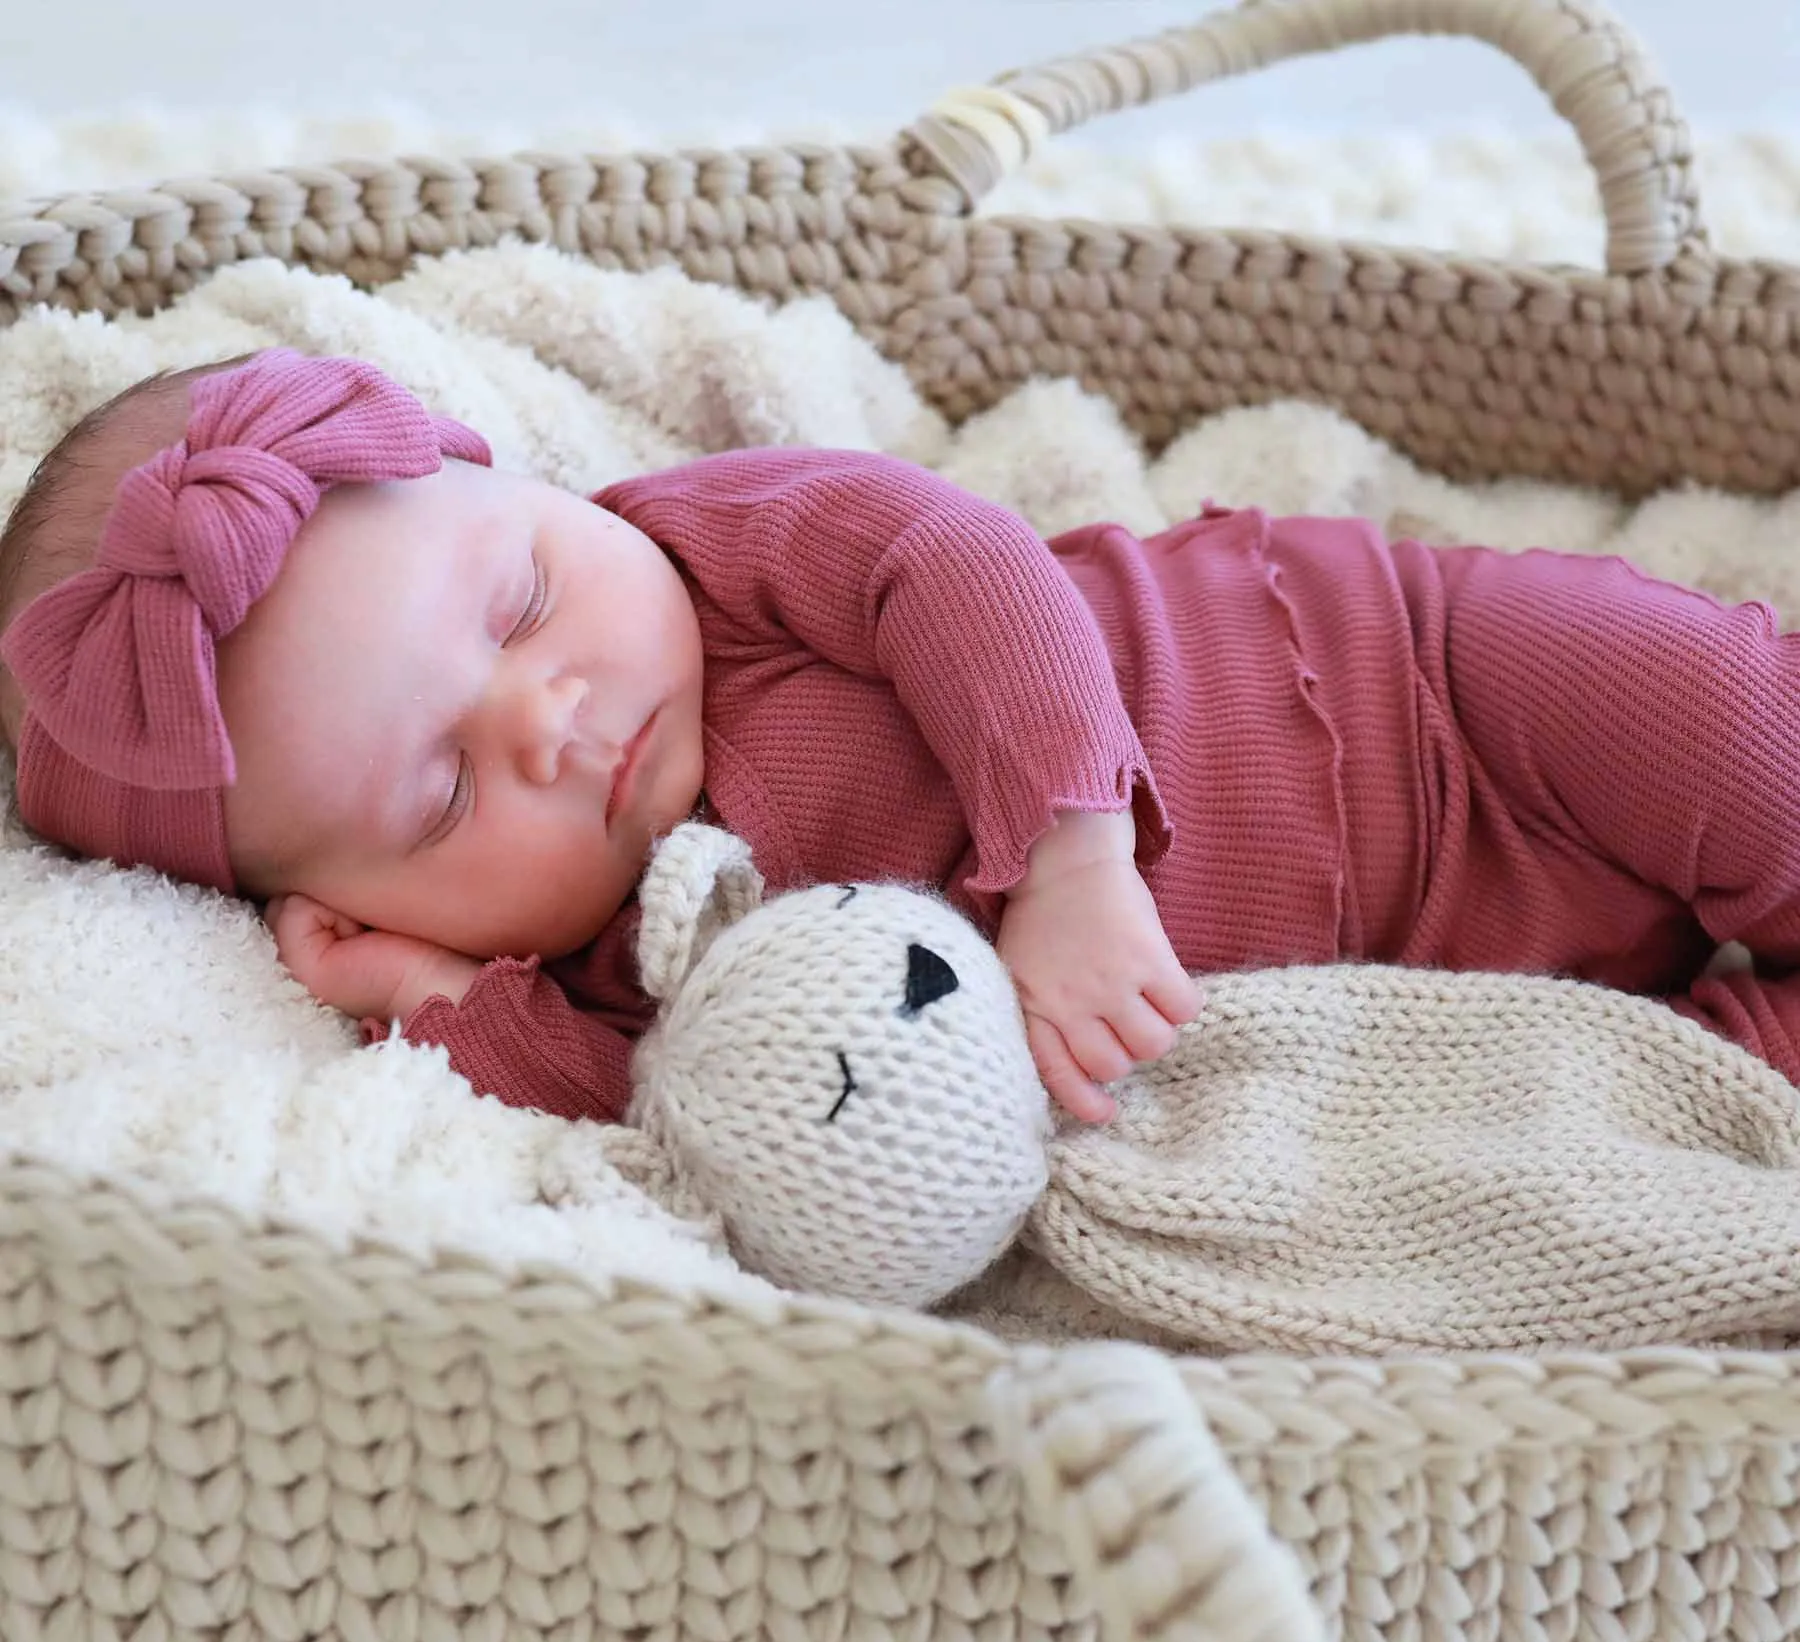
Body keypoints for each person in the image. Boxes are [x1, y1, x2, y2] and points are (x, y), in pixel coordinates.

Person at [4, 347, 1798, 1129]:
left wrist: (1076, 852)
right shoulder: (616, 972)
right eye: (443, 791)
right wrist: (412, 997)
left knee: (1724, 723)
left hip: (1423, 693)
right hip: (1426, 987)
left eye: (521, 603)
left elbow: (960, 563)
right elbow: (653, 1124)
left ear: (521, 480)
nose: (550, 720)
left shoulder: (718, 545)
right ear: (336, 899)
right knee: (1640, 1105)